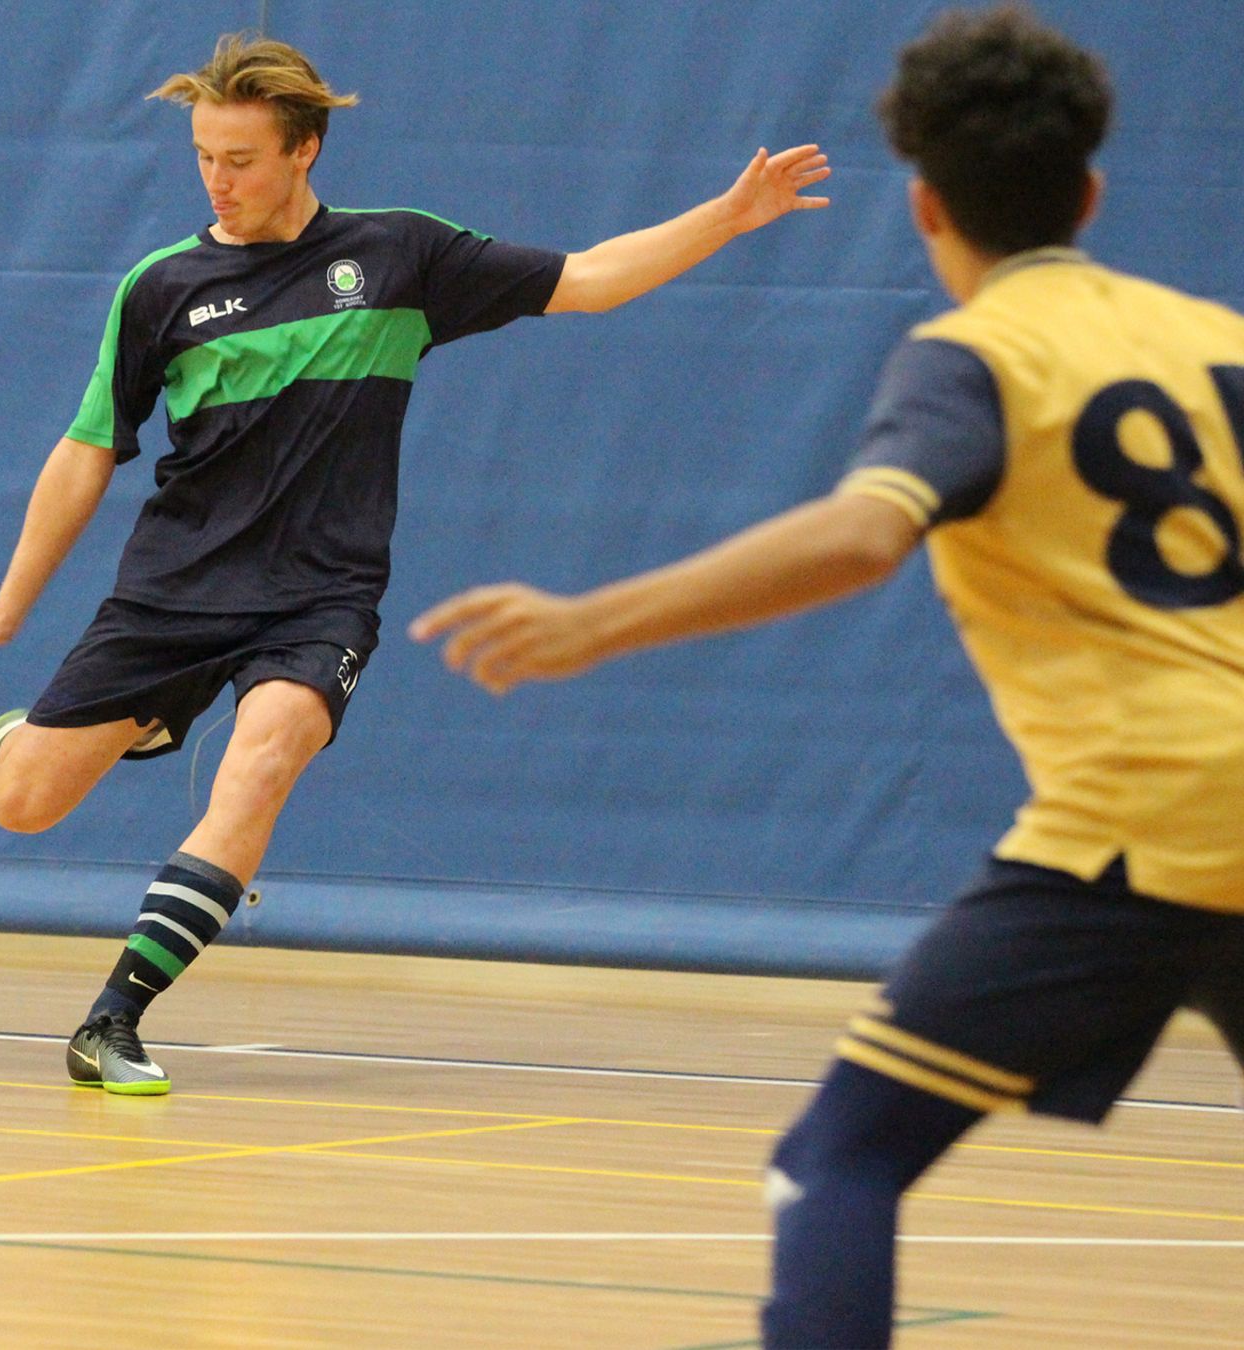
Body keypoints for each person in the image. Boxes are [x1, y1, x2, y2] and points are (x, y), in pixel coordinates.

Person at [406, 6, 1244, 1344]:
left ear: (924, 206)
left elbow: (862, 535)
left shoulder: (977, 356)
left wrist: (593, 621)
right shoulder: (1220, 341)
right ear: (1089, 192)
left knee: (840, 1156)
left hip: (1142, 819)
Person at [0, 31, 831, 1095]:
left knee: (261, 765)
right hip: (175, 589)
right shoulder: (162, 287)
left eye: (241, 160)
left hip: (320, 597)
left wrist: (729, 215)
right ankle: (94, 729)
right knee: (26, 803)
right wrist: (6, 610)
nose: (218, 181)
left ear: (304, 149)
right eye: (205, 157)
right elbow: (88, 451)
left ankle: (111, 1022)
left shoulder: (399, 257)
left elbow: (588, 280)